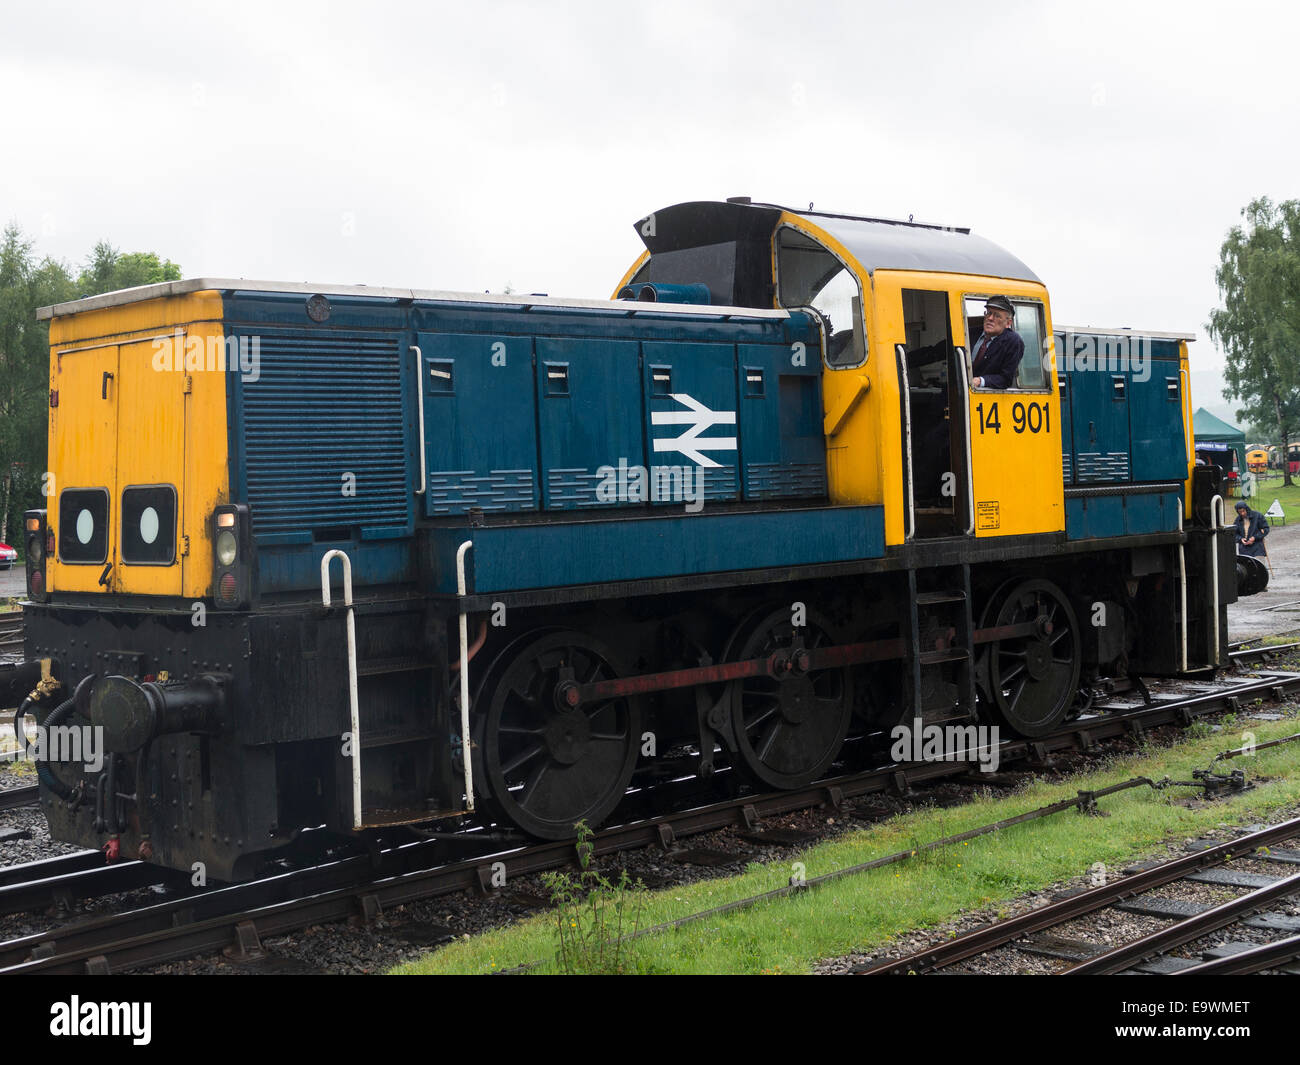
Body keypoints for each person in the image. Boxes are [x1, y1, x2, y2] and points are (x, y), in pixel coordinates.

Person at [970, 295, 1024, 389]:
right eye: (988, 313)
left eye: (997, 316)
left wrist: (980, 381)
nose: (990, 318)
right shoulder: (970, 333)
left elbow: (1005, 379)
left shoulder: (1013, 341)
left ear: (1008, 323)